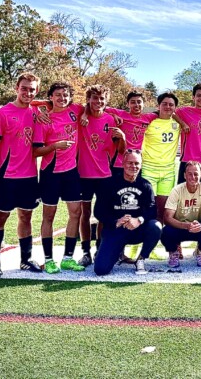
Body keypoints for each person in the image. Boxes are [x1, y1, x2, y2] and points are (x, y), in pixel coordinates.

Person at [0, 72, 45, 279]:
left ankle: (26, 259)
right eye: (24, 88)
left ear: (36, 91)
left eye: (32, 89)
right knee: (0, 217)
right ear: (16, 88)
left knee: (26, 216)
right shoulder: (3, 113)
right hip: (6, 176)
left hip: (29, 176)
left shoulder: (36, 113)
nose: (28, 92)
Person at [32, 81, 83, 273]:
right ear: (51, 97)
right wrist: (55, 146)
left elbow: (93, 106)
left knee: (75, 213)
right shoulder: (44, 119)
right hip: (50, 173)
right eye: (58, 95)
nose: (62, 98)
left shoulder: (75, 110)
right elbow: (36, 152)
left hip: (71, 172)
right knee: (49, 216)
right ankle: (48, 259)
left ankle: (68, 258)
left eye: (66, 95)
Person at [77, 84, 126, 267]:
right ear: (89, 99)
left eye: (102, 99)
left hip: (105, 175)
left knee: (103, 215)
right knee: (84, 213)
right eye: (94, 98)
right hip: (83, 174)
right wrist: (83, 112)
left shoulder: (111, 120)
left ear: (106, 101)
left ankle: (99, 248)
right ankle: (85, 252)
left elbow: (121, 151)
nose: (98, 102)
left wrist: (122, 137)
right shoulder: (81, 118)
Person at [93, 150, 162, 276]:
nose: (133, 166)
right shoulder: (109, 184)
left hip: (137, 229)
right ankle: (115, 253)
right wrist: (116, 221)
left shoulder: (145, 185)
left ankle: (141, 259)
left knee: (155, 226)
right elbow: (98, 211)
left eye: (137, 163)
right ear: (123, 163)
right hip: (116, 230)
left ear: (141, 165)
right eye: (130, 163)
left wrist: (138, 220)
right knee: (101, 270)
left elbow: (152, 211)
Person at [161, 161, 201, 269]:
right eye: (189, 174)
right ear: (184, 175)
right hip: (180, 227)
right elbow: (167, 218)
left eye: (196, 174)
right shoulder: (177, 190)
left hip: (199, 227)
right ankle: (173, 252)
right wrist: (186, 225)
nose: (193, 177)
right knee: (166, 231)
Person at [140, 92, 181, 222]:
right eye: (164, 104)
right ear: (158, 105)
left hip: (168, 171)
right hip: (149, 169)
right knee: (148, 206)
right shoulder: (149, 121)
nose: (168, 107)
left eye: (171, 104)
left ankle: (160, 236)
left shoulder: (178, 123)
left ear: (175, 107)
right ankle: (147, 236)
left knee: (163, 209)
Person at [106, 90, 156, 180]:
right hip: (119, 162)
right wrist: (113, 115)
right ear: (127, 105)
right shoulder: (121, 114)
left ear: (143, 104)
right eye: (133, 102)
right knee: (116, 192)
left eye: (139, 102)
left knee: (134, 191)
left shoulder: (148, 118)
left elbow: (167, 112)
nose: (136, 105)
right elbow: (99, 108)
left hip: (137, 163)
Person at [175, 83, 201, 183]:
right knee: (184, 194)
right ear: (193, 97)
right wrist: (183, 123)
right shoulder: (185, 111)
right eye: (199, 95)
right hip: (188, 159)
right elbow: (171, 112)